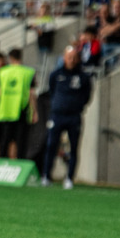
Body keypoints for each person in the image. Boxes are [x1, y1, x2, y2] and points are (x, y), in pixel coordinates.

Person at [40, 46, 93, 190]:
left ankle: (69, 178)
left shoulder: (83, 77)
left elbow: (87, 96)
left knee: (74, 147)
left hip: (74, 116)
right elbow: (52, 91)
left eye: (74, 57)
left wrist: (77, 106)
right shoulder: (56, 74)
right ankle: (46, 175)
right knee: (51, 145)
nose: (71, 59)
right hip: (57, 115)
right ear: (64, 58)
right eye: (69, 57)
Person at [0, 48, 37, 160]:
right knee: (20, 140)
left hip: (5, 110)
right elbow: (31, 93)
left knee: (5, 139)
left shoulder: (2, 72)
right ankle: (18, 164)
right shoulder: (28, 72)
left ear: (10, 58)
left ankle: (1, 163)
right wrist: (34, 111)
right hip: (21, 109)